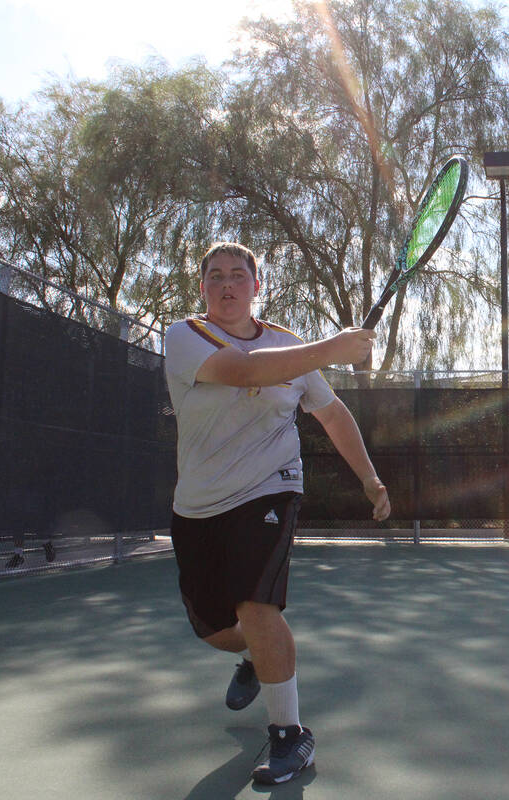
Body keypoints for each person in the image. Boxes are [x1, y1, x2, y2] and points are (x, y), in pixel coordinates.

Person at [163, 242, 390, 786]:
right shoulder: (184, 337)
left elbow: (333, 415)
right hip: (197, 506)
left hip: (271, 488)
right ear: (203, 289)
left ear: (256, 287)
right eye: (215, 276)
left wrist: (369, 477)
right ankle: (253, 659)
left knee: (256, 603)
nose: (226, 285)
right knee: (219, 628)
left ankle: (290, 736)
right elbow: (244, 371)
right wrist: (332, 347)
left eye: (238, 276)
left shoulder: (290, 345)